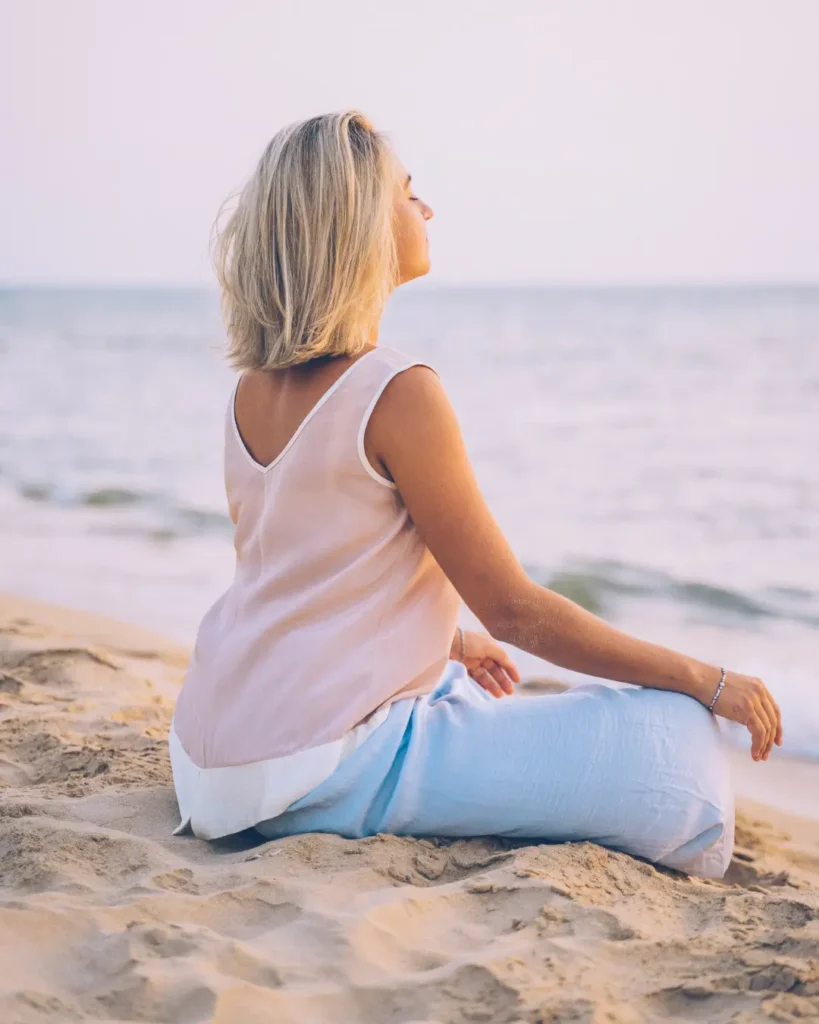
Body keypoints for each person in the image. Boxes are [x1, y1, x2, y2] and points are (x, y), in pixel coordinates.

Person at [168, 110, 783, 879]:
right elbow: (514, 609)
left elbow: (298, 571)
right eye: (406, 192)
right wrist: (708, 679)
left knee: (460, 680)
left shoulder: (248, 390)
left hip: (206, 759)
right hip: (313, 767)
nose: (425, 208)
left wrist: (447, 638)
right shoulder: (398, 391)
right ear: (356, 222)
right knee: (680, 740)